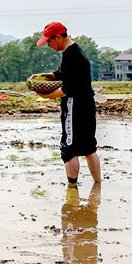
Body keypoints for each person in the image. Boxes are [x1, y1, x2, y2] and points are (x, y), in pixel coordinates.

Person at [34, 21, 101, 186]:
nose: (48, 45)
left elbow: (67, 89)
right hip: (87, 104)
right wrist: (46, 75)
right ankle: (97, 186)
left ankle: (72, 188)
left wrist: (45, 94)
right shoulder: (75, 52)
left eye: (49, 41)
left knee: (69, 149)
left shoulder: (71, 56)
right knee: (88, 147)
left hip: (75, 106)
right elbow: (64, 75)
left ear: (58, 37)